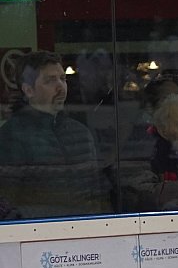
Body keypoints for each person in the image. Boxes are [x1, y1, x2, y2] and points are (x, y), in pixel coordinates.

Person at [0, 50, 111, 219]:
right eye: (50, 80)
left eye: (63, 78)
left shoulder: (81, 132)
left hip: (87, 228)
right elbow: (8, 201)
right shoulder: (11, 136)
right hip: (36, 230)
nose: (60, 86)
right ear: (29, 90)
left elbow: (98, 192)